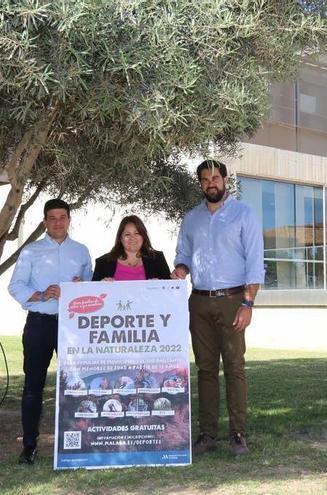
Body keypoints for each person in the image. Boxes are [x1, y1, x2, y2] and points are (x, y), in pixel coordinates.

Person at [171, 159, 264, 457]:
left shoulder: (243, 214)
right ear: (200, 183)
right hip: (198, 301)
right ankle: (207, 435)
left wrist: (248, 303)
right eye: (205, 179)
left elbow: (254, 261)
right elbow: (183, 252)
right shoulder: (191, 218)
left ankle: (238, 434)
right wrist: (181, 269)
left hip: (233, 300)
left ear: (225, 180)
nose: (211, 183)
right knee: (206, 370)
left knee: (235, 368)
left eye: (215, 177)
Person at [8, 198, 92, 465]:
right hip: (40, 323)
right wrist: (41, 294)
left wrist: (81, 285)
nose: (58, 222)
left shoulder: (81, 251)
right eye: (52, 218)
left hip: (73, 326)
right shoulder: (31, 251)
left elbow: (91, 285)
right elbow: (15, 286)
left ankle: (81, 442)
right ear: (45, 222)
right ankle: (29, 446)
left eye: (62, 217)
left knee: (77, 385)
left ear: (69, 219)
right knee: (34, 385)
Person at [92, 215, 171, 281]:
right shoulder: (103, 262)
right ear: (120, 238)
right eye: (127, 234)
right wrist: (100, 286)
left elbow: (172, 293)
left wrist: (160, 286)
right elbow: (92, 295)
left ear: (143, 236)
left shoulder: (157, 259)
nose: (132, 238)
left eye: (137, 233)